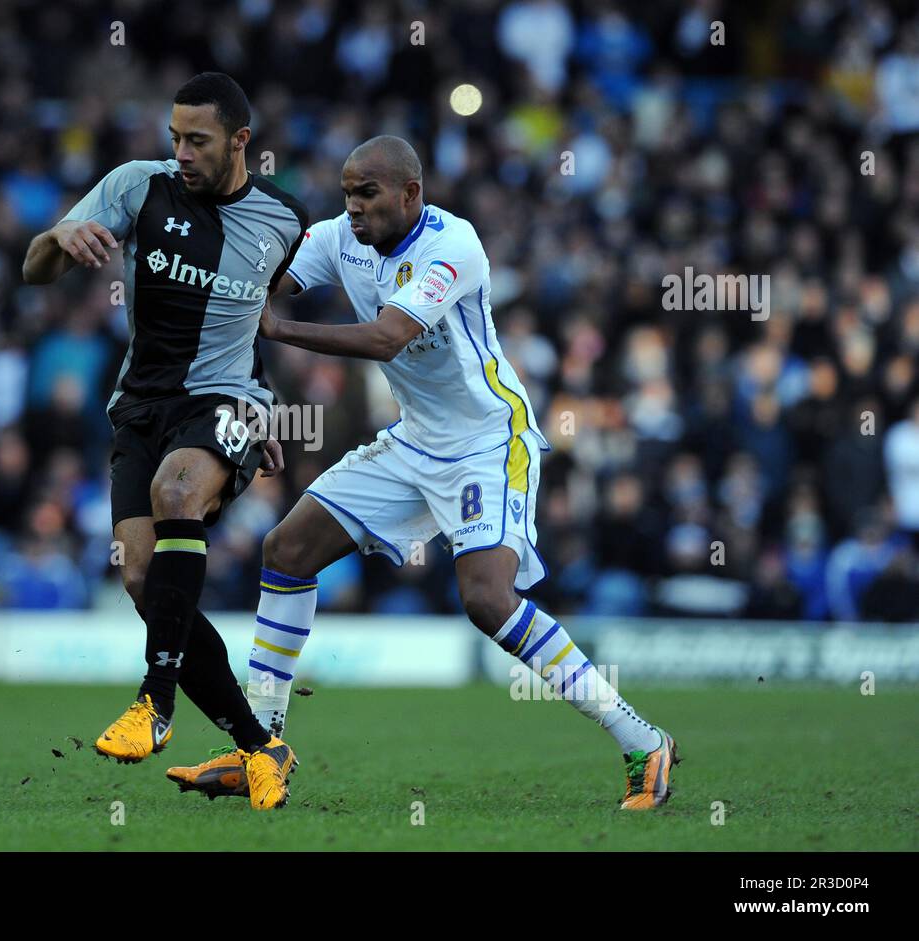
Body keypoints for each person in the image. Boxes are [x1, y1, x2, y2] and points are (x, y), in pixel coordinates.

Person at [166, 136, 680, 810]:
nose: (354, 209)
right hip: (414, 440)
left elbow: (386, 336)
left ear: (411, 193)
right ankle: (259, 747)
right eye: (348, 194)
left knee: (488, 600)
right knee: (287, 549)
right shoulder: (336, 237)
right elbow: (257, 281)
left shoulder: (454, 246)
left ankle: (641, 739)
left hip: (488, 440)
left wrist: (279, 330)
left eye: (368, 194)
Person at [22, 72, 308, 810]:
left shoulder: (285, 222)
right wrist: (57, 236)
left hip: (225, 400)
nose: (180, 152)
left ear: (240, 142)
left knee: (178, 490)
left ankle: (155, 700)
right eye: (174, 137)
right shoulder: (136, 187)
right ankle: (260, 745)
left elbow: (257, 320)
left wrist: (250, 424)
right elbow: (34, 270)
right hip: (139, 406)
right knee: (147, 582)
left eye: (197, 140)